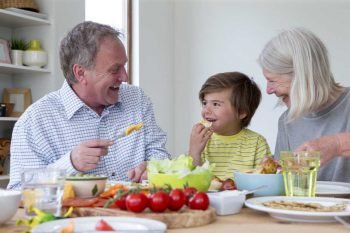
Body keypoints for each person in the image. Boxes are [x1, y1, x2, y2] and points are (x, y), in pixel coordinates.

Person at [7, 21, 170, 190]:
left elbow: (159, 153)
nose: (125, 76)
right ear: (80, 73)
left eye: (124, 66)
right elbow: (20, 191)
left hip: (137, 212)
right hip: (74, 216)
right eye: (115, 69)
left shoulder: (137, 99)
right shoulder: (35, 121)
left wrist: (153, 167)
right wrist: (70, 164)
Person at [258, 27, 350, 182]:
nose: (268, 90)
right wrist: (275, 170)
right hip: (308, 207)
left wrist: (337, 144)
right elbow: (285, 185)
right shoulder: (287, 121)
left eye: (272, 80)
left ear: (304, 76)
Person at [188, 72, 272, 180]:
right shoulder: (202, 140)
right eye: (205, 103)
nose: (206, 110)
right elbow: (192, 181)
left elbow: (266, 179)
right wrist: (194, 152)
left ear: (241, 112)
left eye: (215, 104)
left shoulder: (257, 143)